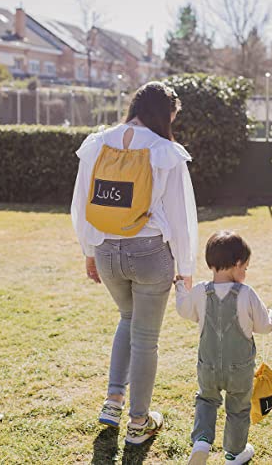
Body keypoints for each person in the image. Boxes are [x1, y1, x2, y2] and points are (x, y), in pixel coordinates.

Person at [71, 81, 198, 445]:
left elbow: (81, 203)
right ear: (164, 112)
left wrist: (89, 250)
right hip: (150, 254)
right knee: (146, 338)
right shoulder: (165, 152)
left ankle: (113, 402)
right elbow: (181, 216)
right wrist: (185, 268)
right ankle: (139, 422)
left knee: (127, 320)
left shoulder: (97, 144)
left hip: (107, 251)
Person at [175, 230, 272, 464]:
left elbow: (184, 310)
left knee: (206, 400)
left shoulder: (201, 291)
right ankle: (234, 452)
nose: (245, 272)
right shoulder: (246, 293)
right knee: (238, 409)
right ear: (238, 263)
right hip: (239, 369)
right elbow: (262, 325)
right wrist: (271, 317)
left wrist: (181, 288)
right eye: (246, 268)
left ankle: (201, 440)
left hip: (208, 366)